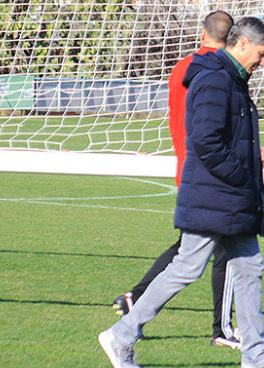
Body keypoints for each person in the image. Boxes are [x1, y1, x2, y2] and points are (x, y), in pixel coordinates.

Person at [98, 17, 264, 368]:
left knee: (249, 268)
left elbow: (228, 135)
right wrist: (241, 176)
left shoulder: (231, 79)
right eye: (261, 54)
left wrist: (251, 156)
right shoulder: (214, 79)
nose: (263, 62)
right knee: (187, 268)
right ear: (242, 46)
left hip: (227, 196)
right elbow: (205, 140)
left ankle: (256, 357)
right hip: (217, 194)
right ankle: (121, 335)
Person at [111, 10, 241, 349]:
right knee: (217, 250)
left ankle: (134, 299)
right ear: (232, 39)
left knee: (193, 248)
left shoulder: (183, 67)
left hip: (187, 167)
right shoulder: (224, 72)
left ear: (202, 33)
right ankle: (220, 330)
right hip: (212, 173)